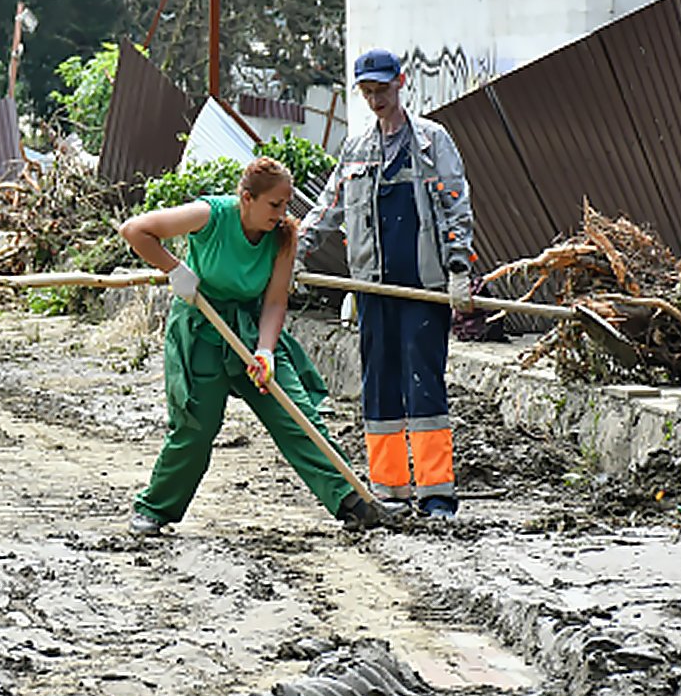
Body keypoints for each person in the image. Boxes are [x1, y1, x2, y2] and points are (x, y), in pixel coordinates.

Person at [120, 156, 385, 535]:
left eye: (286, 204)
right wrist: (175, 270)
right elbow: (136, 230)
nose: (282, 213)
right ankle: (154, 509)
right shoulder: (209, 215)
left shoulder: (283, 236)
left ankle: (351, 501)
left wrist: (265, 351)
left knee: (296, 414)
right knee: (195, 427)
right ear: (246, 198)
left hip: (250, 330)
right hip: (201, 331)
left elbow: (276, 301)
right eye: (274, 204)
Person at [298, 48, 476, 519]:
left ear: (401, 82)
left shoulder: (432, 141)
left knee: (424, 381)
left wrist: (458, 268)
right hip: (373, 286)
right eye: (368, 92)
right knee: (380, 383)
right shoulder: (356, 150)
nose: (376, 100)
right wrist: (293, 250)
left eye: (383, 89)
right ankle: (390, 486)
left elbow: (456, 206)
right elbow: (329, 206)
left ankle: (436, 493)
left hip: (422, 284)